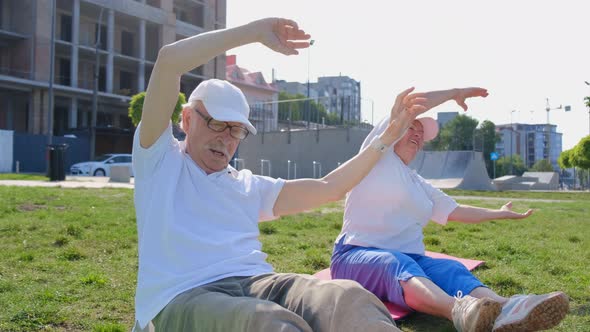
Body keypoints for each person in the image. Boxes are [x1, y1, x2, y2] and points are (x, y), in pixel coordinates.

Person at [132, 17, 436, 332]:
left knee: (348, 297)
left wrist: (385, 139)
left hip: (257, 283)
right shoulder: (159, 161)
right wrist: (253, 32)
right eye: (217, 124)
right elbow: (168, 62)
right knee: (267, 324)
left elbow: (330, 187)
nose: (226, 138)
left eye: (236, 130)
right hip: (184, 296)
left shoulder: (248, 186)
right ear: (187, 118)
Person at [331, 88, 570, 332]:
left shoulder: (417, 183)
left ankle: (507, 309)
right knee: (396, 262)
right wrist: (454, 93)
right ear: (395, 129)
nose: (417, 134)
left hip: (411, 260)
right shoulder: (376, 154)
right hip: (356, 254)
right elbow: (415, 105)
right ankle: (459, 311)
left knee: (451, 268)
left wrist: (499, 213)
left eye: (421, 133)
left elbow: (455, 210)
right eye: (411, 128)